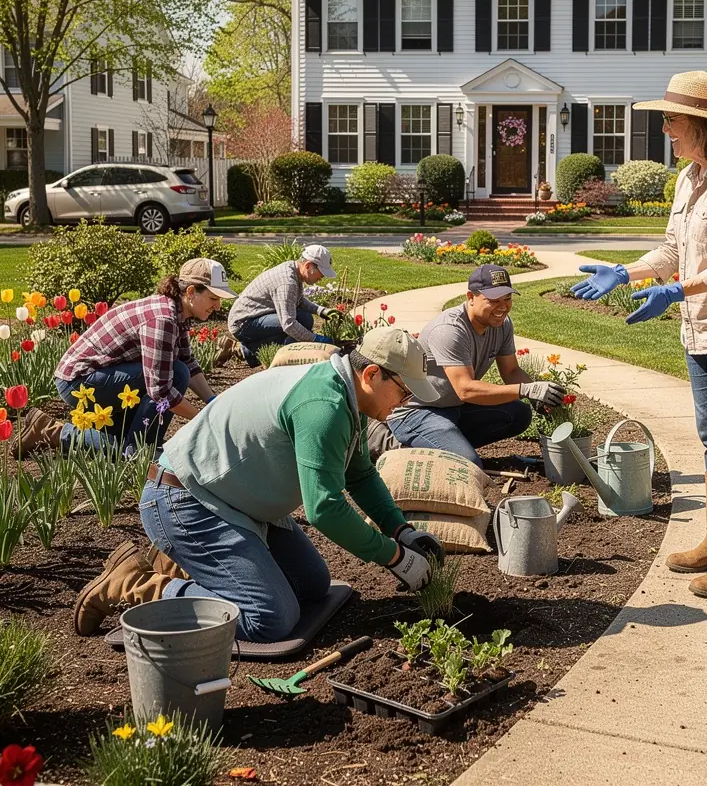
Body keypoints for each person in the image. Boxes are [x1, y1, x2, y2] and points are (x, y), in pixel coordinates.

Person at [73, 326, 445, 641]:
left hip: (235, 501)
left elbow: (359, 474)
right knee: (269, 619)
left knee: (312, 586)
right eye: (404, 391)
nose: (404, 403)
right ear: (371, 374)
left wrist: (401, 530)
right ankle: (133, 585)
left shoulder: (348, 398)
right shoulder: (323, 407)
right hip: (185, 500)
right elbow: (325, 509)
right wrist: (393, 557)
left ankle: (180, 563)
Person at [572, 71, 707, 599]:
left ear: (703, 126)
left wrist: (677, 291)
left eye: (671, 119)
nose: (664, 128)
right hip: (701, 326)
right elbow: (671, 249)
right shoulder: (691, 177)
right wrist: (626, 273)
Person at [20, 259, 235, 457]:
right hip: (80, 382)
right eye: (213, 298)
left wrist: (212, 403)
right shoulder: (163, 319)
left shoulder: (176, 312)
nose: (218, 306)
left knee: (179, 370)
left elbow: (188, 362)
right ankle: (58, 433)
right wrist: (202, 420)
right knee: (175, 375)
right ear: (190, 292)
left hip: (106, 376)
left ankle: (140, 446)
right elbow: (160, 392)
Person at [386, 264, 565, 467]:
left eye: (507, 299)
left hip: (454, 407)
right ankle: (403, 446)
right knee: (468, 465)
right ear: (470, 297)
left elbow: (512, 371)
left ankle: (447, 443)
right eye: (493, 300)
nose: (503, 307)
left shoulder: (502, 324)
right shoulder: (449, 330)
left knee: (519, 414)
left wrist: (539, 397)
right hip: (418, 412)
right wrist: (526, 389)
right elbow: (465, 390)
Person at [228, 243, 338, 365]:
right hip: (242, 323)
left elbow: (298, 301)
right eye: (321, 272)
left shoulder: (294, 270)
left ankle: (249, 351)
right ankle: (250, 352)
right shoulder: (287, 282)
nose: (322, 277)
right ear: (308, 266)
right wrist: (316, 339)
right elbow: (288, 324)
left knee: (305, 319)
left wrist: (321, 311)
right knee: (294, 327)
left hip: (256, 316)